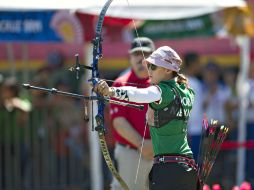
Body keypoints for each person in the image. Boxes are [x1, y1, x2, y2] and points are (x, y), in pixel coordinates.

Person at [94, 46, 199, 190]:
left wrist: (111, 91)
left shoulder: (163, 91)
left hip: (168, 169)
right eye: (148, 65)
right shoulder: (188, 92)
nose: (149, 70)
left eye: (153, 66)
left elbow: (139, 94)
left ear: (168, 70)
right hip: (188, 166)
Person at [109, 37, 155, 190]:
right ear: (129, 58)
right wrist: (143, 145)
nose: (141, 58)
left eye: (146, 53)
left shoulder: (162, 83)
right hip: (131, 152)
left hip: (159, 150)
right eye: (136, 54)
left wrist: (155, 144)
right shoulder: (120, 84)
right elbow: (119, 122)